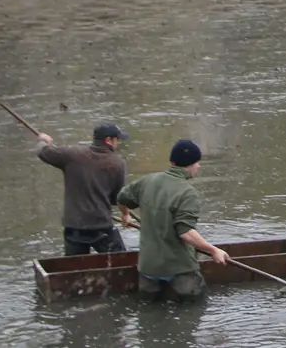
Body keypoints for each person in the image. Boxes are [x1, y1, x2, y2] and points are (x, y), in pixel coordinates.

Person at [116, 139, 230, 301]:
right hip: (179, 269)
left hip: (148, 268)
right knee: (194, 311)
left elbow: (121, 198)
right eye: (197, 163)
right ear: (190, 164)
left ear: (172, 162)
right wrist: (213, 250)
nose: (199, 166)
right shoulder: (187, 193)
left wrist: (125, 214)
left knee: (149, 316)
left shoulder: (146, 181)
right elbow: (186, 233)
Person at [35, 122, 129, 256]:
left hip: (74, 226)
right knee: (121, 262)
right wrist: (126, 214)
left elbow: (42, 152)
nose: (117, 143)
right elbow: (118, 199)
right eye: (116, 140)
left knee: (75, 269)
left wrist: (43, 140)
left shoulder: (71, 155)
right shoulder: (117, 163)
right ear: (108, 140)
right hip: (101, 226)